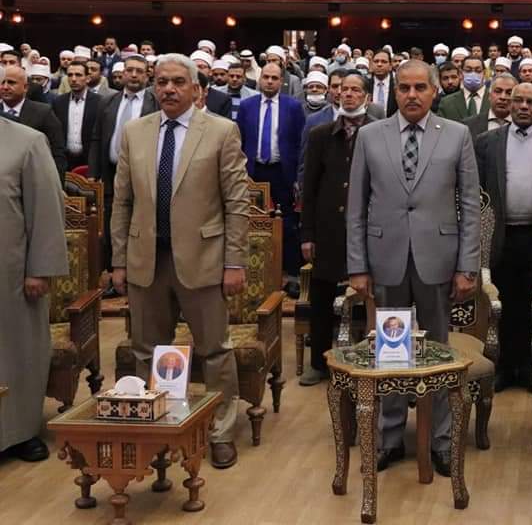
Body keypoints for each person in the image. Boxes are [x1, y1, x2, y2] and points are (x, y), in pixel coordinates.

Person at [111, 53, 249, 470]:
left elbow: (237, 202)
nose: (168, 89)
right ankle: (155, 426)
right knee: (145, 350)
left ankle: (220, 431)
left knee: (214, 351)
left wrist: (235, 262)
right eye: (161, 82)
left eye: (177, 82)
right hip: (146, 259)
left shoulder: (221, 131)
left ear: (196, 89)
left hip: (204, 260)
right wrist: (119, 260)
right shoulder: (135, 132)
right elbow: (122, 202)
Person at [346, 59, 481, 477]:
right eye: (404, 88)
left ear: (434, 91)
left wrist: (468, 266)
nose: (411, 95)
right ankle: (388, 437)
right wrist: (357, 266)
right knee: (390, 351)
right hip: (384, 258)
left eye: (420, 87)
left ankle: (440, 439)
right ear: (394, 92)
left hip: (438, 259)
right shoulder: (370, 135)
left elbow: (470, 205)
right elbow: (356, 207)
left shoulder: (457, 134)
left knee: (439, 351)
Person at [474, 81, 532, 390]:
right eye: (518, 101)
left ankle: (526, 367)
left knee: (529, 302)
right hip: (501, 235)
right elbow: (478, 194)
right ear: (509, 104)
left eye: (531, 102)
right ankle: (503, 366)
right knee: (504, 301)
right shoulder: (487, 142)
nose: (524, 106)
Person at [0, 113, 69, 462]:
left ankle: (19, 433)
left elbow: (47, 209)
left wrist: (40, 270)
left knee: (17, 354)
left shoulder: (26, 142)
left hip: (10, 277)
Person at [299, 72, 374, 385]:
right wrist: (307, 234)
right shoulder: (320, 134)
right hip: (328, 228)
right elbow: (309, 187)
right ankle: (319, 362)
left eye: (356, 90)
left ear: (367, 96)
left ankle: (372, 360)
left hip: (369, 228)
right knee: (321, 295)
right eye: (344, 89)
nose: (349, 94)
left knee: (373, 295)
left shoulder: (378, 131)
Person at [89, 55, 159, 289]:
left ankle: (142, 274)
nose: (134, 75)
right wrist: (94, 172)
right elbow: (97, 137)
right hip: (111, 173)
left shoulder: (155, 102)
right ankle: (115, 275)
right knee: (114, 224)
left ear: (147, 75)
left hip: (144, 174)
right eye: (130, 70)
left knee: (141, 223)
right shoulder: (107, 101)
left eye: (139, 71)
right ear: (122, 73)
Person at [237, 62, 306, 292]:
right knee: (252, 222)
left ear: (281, 81)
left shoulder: (293, 106)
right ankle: (255, 273)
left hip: (282, 172)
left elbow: (300, 141)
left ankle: (292, 274)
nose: (269, 81)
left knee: (287, 223)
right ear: (259, 79)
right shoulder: (247, 106)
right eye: (266, 77)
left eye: (274, 78)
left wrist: (297, 176)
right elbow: (239, 140)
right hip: (254, 171)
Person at [1, 64, 67, 181]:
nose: (5, 87)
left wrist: (57, 186)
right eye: (2, 83)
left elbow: (57, 153)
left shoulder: (43, 112)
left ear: (25, 87)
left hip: (34, 179)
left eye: (11, 83)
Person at [53, 61, 103, 171]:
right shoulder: (59, 102)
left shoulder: (100, 102)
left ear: (88, 78)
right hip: (65, 161)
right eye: (70, 75)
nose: (74, 79)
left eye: (78, 75)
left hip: (89, 161)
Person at [438, 56, 489, 121]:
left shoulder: (495, 99)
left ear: (484, 73)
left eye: (478, 71)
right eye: (468, 70)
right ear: (461, 73)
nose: (473, 74)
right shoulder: (446, 102)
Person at [464, 72, 512, 139]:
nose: (503, 97)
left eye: (509, 93)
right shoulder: (468, 125)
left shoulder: (523, 125)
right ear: (489, 95)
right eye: (498, 91)